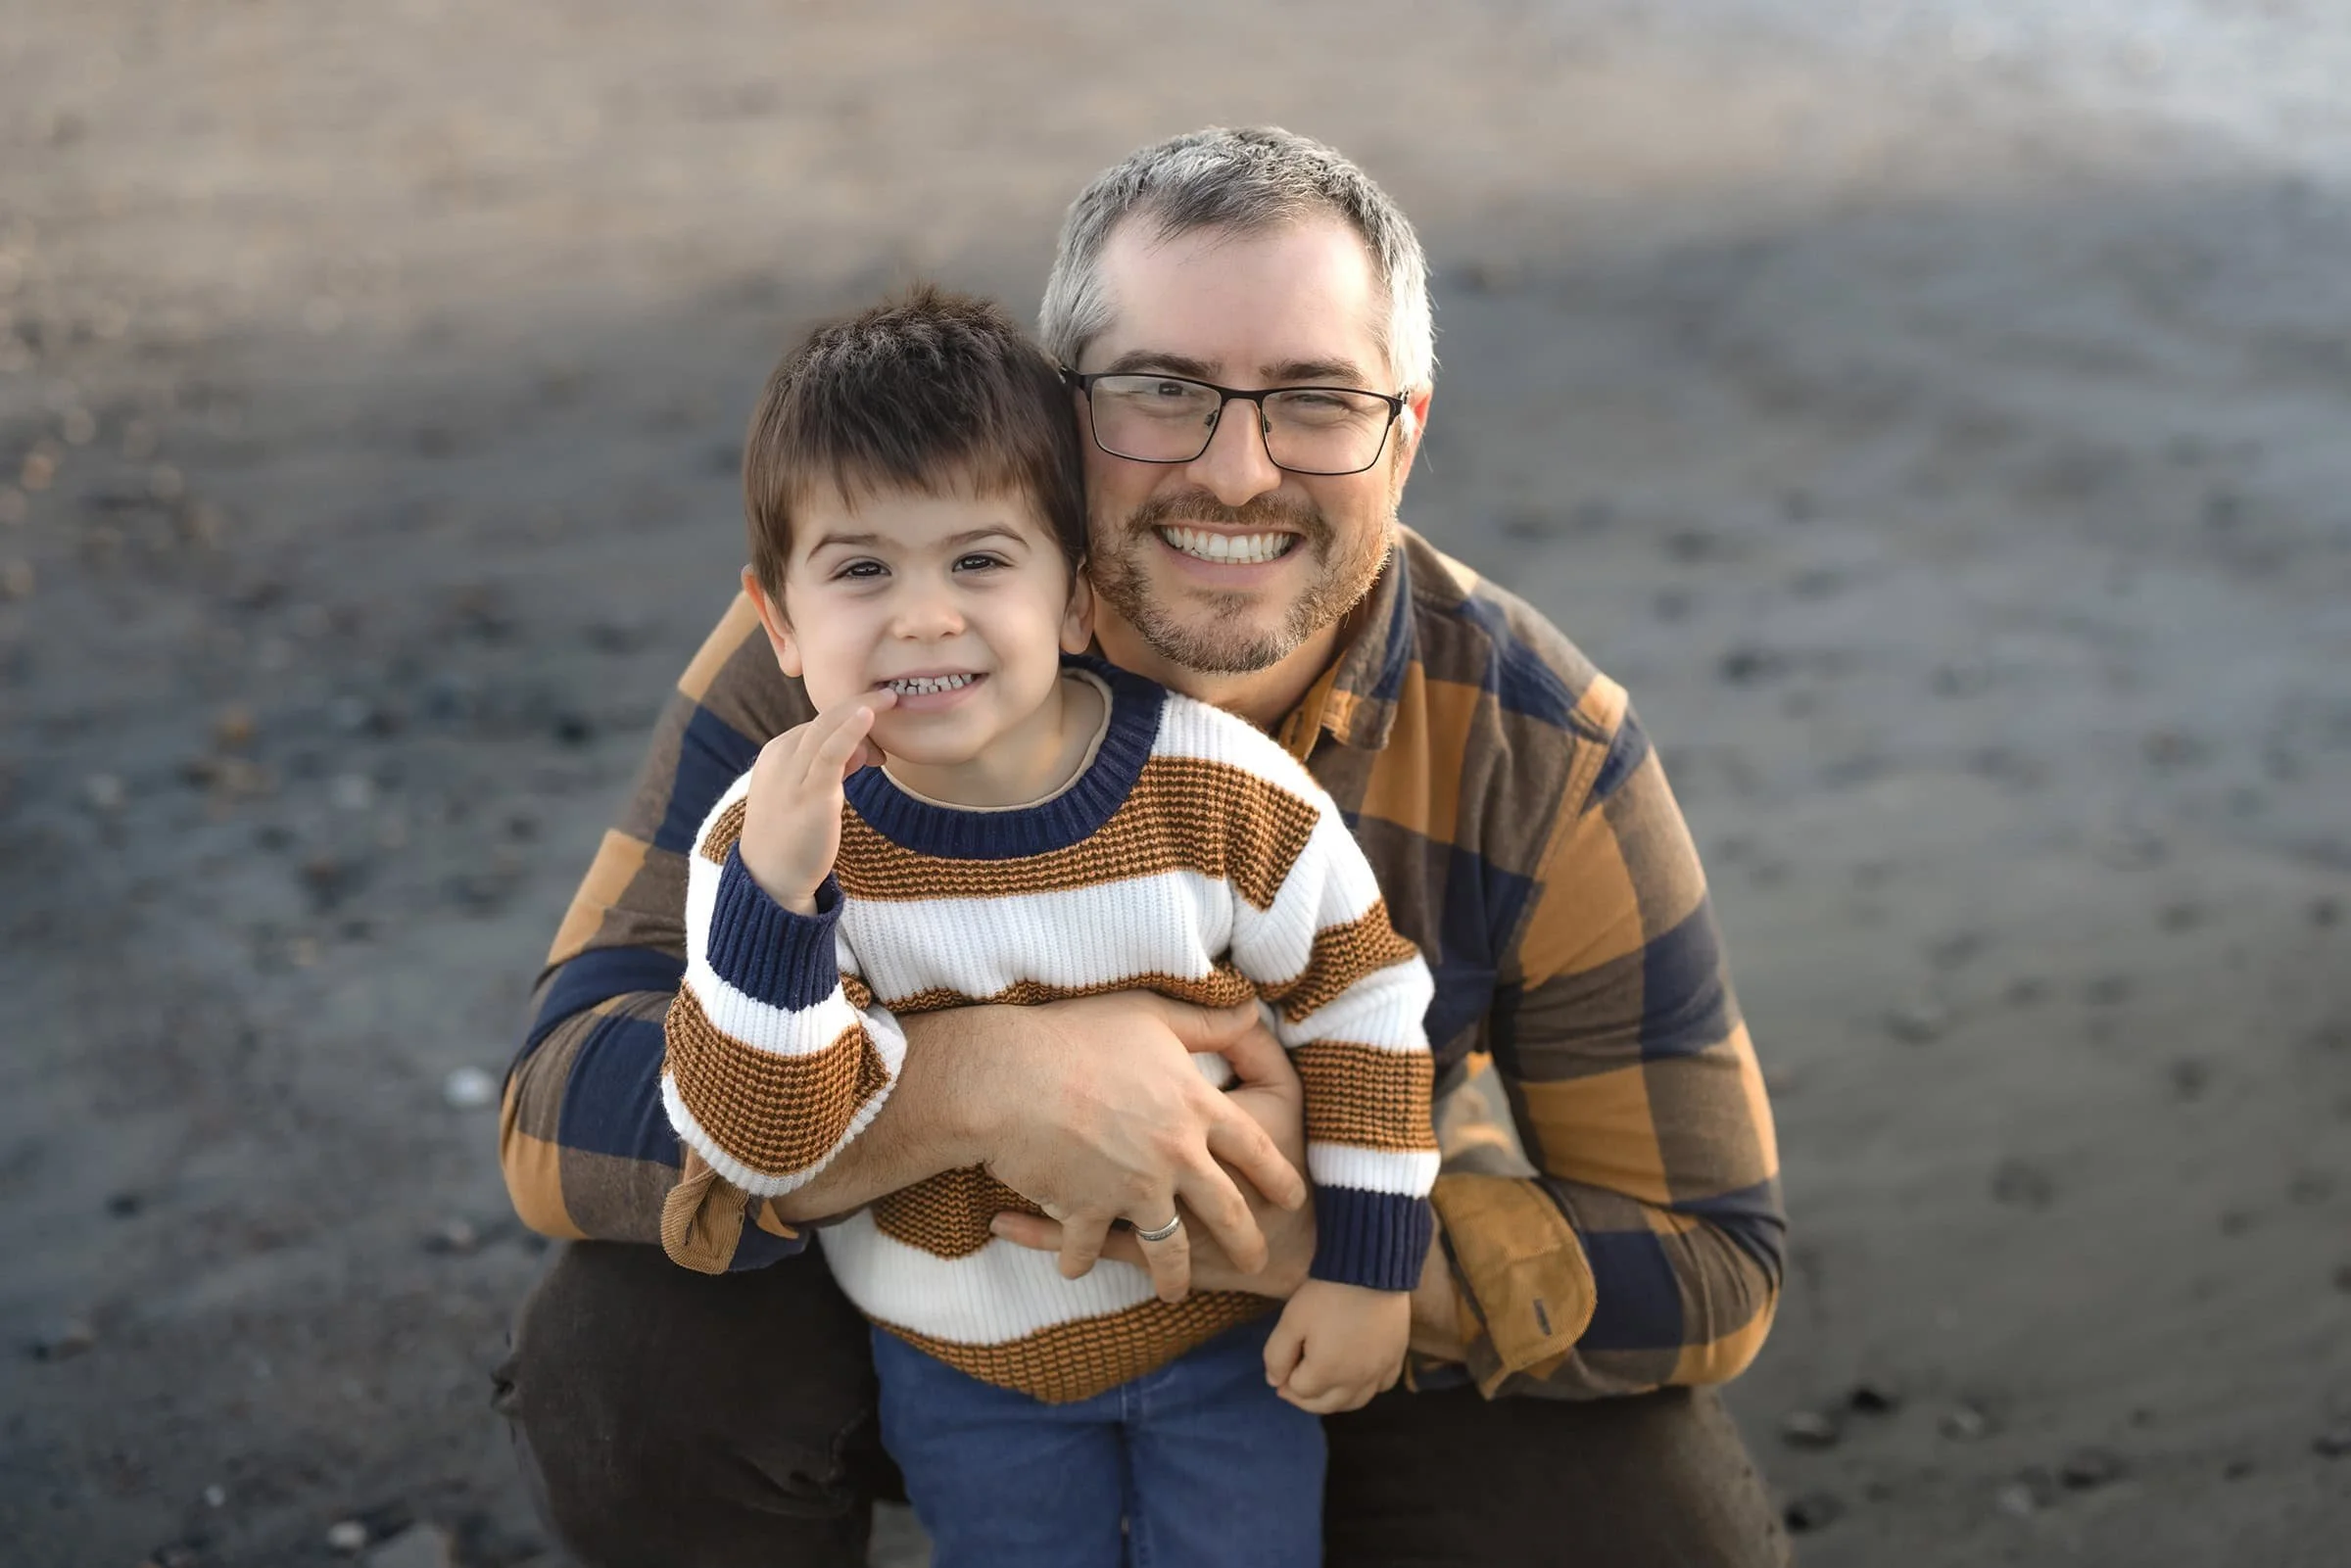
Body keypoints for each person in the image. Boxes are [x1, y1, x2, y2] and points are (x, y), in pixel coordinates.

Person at [497, 126, 1791, 1568]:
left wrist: (1322, 1233)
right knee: (621, 1367)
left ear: (1404, 435)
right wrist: (975, 1088)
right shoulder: (870, 658)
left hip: (1317, 1329)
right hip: (924, 1307)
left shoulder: (1536, 746)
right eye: (1164, 393)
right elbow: (555, 1110)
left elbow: (1715, 1266)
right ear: (1062, 420)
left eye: (1315, 400)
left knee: (1662, 1533)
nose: (1238, 472)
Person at [657, 285, 1438, 1567]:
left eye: (979, 561)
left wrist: (1366, 1266)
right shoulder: (771, 844)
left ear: (1077, 598)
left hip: (1224, 1344)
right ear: (781, 623)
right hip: (967, 1374)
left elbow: (1364, 1002)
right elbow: (761, 1142)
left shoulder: (1218, 792)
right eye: (862, 570)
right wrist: (779, 906)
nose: (924, 616)